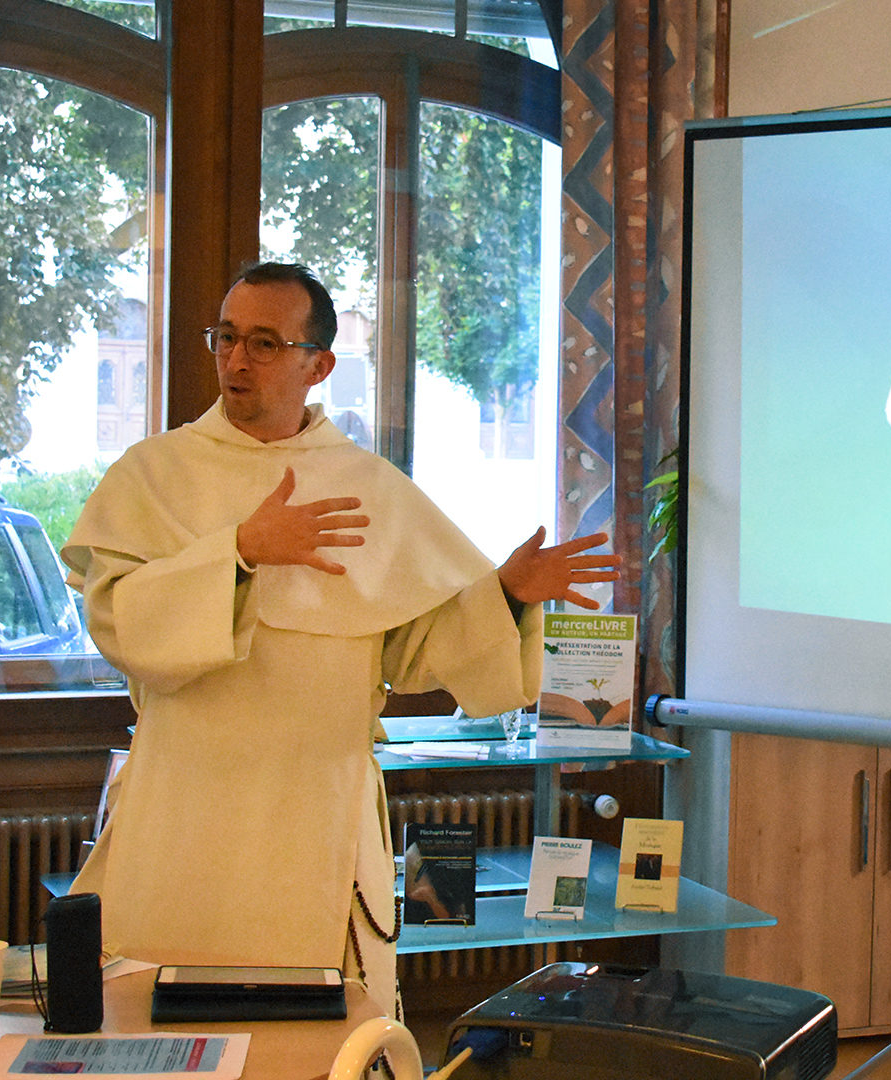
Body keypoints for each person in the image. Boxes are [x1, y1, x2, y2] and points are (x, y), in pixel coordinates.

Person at [60, 262, 618, 1019]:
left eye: (262, 342)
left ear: (317, 365)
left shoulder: (368, 486)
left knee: (322, 1031)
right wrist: (239, 552)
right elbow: (119, 622)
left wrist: (504, 595)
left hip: (316, 810)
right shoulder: (154, 474)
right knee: (164, 1029)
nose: (234, 361)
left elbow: (415, 654)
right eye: (225, 337)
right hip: (184, 810)